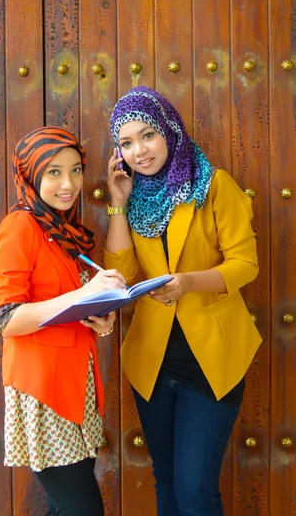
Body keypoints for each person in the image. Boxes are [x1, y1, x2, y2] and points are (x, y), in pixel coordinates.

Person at [104, 86, 262, 516]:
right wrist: (117, 204)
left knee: (195, 492)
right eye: (126, 143)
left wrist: (188, 282)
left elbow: (246, 264)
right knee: (168, 483)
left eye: (148, 135)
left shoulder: (213, 186)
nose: (139, 151)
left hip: (210, 363)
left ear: (169, 130)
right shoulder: (132, 196)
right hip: (153, 363)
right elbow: (122, 273)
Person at [0, 126, 126, 516]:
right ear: (30, 174)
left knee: (62, 509)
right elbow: (8, 318)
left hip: (75, 384)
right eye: (53, 172)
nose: (69, 184)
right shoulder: (19, 227)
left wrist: (97, 318)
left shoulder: (64, 231)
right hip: (42, 390)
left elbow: (62, 307)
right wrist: (83, 295)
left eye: (76, 170)